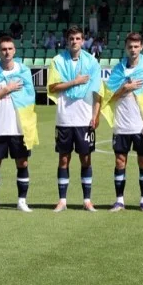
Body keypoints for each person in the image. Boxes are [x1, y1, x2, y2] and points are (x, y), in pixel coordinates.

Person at [0, 36, 39, 213]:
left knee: (23, 163)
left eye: (10, 49)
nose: (7, 52)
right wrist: (6, 89)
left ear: (14, 50)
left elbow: (30, 97)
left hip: (19, 127)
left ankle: (22, 202)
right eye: (3, 49)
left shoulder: (24, 71)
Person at [47, 26, 102, 213]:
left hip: (84, 119)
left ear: (83, 40)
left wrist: (96, 115)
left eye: (78, 38)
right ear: (67, 40)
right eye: (71, 38)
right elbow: (52, 87)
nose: (74, 41)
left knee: (86, 159)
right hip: (64, 119)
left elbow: (97, 92)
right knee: (64, 159)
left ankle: (87, 200)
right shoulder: (57, 61)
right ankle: (62, 201)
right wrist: (75, 82)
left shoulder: (92, 62)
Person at [101, 33, 143, 213]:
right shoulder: (118, 70)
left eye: (136, 46)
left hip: (141, 124)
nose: (133, 50)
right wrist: (125, 88)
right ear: (125, 48)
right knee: (120, 161)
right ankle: (119, 201)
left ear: (141, 47)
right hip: (122, 124)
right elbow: (109, 97)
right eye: (130, 47)